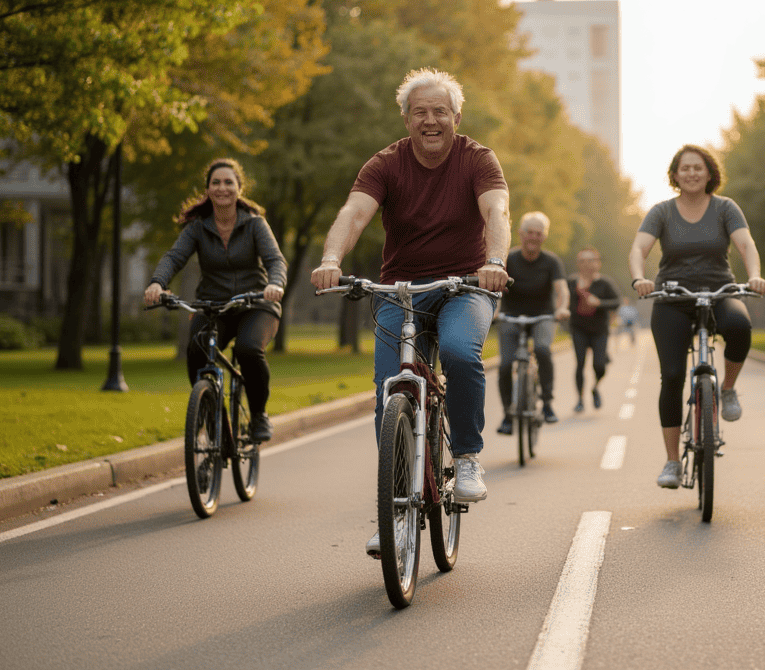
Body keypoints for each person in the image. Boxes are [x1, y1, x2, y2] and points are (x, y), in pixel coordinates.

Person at [310, 69, 510, 555]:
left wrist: (495, 262)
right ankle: (394, 509)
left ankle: (465, 457)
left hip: (464, 284)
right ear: (405, 119)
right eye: (420, 112)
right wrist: (331, 260)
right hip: (402, 291)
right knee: (389, 394)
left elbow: (497, 213)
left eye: (440, 111)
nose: (430, 120)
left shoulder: (477, 159)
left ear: (456, 117)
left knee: (462, 354)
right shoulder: (385, 164)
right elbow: (353, 214)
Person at [628, 145, 765, 490]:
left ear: (710, 173)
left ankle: (728, 389)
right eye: (685, 168)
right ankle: (672, 462)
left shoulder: (725, 208)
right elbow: (638, 249)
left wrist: (754, 275)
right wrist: (640, 278)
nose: (691, 173)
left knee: (739, 326)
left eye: (698, 167)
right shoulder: (661, 211)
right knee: (673, 375)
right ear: (675, 175)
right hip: (673, 296)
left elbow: (746, 245)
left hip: (719, 290)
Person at [145, 158, 287, 443]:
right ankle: (215, 420)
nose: (222, 188)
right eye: (216, 182)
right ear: (208, 189)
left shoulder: (255, 224)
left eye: (228, 182)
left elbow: (275, 260)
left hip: (256, 303)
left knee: (248, 349)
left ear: (238, 188)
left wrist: (275, 284)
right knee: (196, 351)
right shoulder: (198, 228)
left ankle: (259, 414)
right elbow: (174, 257)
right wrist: (157, 283)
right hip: (213, 306)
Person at [496, 211, 570, 431]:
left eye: (539, 233)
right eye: (530, 232)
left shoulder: (551, 261)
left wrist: (562, 308)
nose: (534, 237)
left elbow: (562, 289)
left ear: (544, 237)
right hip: (511, 315)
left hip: (543, 316)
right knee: (506, 364)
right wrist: (495, 311)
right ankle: (508, 414)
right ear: (520, 234)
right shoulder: (508, 259)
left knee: (542, 349)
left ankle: (547, 403)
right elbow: (497, 289)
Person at [566, 246, 621, 413]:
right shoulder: (571, 282)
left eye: (591, 260)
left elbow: (617, 301)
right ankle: (580, 400)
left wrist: (600, 303)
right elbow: (564, 301)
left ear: (598, 263)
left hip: (599, 330)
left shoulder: (604, 282)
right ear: (578, 263)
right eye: (582, 261)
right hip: (579, 329)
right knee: (580, 364)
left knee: (599, 365)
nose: (587, 264)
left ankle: (595, 387)